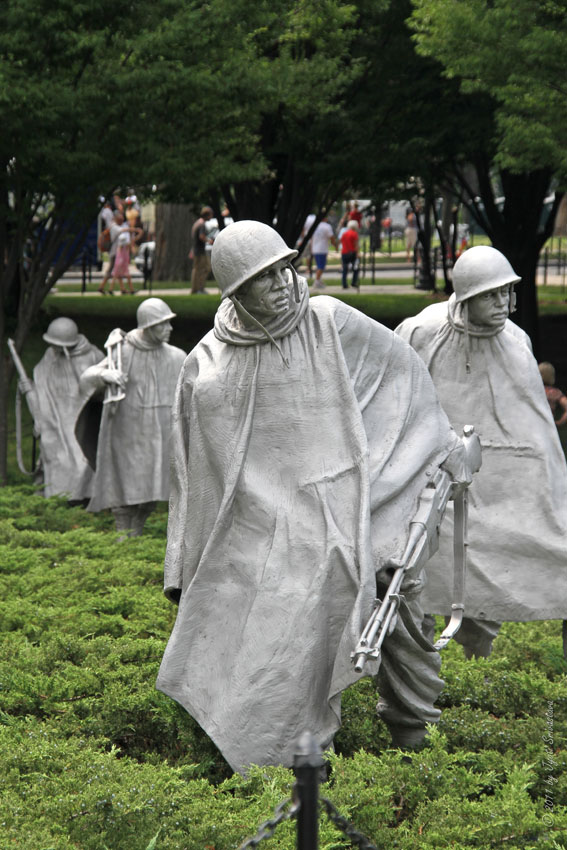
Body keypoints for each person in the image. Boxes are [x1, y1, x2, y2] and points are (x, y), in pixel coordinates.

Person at [156, 220, 469, 773]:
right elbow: (195, 477)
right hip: (264, 525)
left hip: (356, 501)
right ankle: (292, 753)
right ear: (235, 291)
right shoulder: (206, 368)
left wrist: (432, 454)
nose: (282, 283)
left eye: (285, 268)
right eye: (264, 277)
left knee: (392, 590)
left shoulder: (330, 320)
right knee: (272, 614)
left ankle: (415, 731)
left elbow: (404, 382)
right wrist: (184, 564)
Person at [396, 245, 567, 658]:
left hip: (498, 482)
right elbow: (397, 400)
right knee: (417, 570)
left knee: (531, 559)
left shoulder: (517, 342)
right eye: (491, 295)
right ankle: (417, 661)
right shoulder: (422, 332)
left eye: (507, 293)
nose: (502, 303)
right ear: (467, 296)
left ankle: (480, 659)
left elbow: (535, 429)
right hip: (433, 479)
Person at [77, 298, 186, 537]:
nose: (169, 328)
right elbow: (86, 378)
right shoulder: (122, 352)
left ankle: (136, 531)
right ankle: (122, 534)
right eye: (163, 324)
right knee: (123, 481)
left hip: (159, 431)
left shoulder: (177, 357)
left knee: (153, 485)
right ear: (148, 326)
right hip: (127, 429)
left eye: (169, 323)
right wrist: (105, 375)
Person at [17, 318, 103, 500]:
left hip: (80, 418)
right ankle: (57, 496)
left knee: (81, 458)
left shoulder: (92, 357)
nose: (53, 348)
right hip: (53, 419)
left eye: (57, 345)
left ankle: (83, 497)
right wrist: (31, 389)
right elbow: (43, 379)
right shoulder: (51, 354)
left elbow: (99, 388)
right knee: (54, 456)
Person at [98, 211, 128, 295]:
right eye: (121, 219)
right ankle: (102, 287)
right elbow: (122, 230)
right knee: (112, 269)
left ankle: (122, 288)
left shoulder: (113, 226)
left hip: (115, 252)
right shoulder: (114, 227)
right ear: (116, 218)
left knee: (117, 270)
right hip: (114, 252)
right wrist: (135, 229)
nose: (122, 221)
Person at [190, 206, 214, 294]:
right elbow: (201, 236)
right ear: (207, 215)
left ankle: (196, 289)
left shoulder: (197, 222)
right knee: (204, 268)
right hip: (200, 251)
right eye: (211, 214)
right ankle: (199, 289)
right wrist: (209, 241)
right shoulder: (202, 224)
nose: (212, 216)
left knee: (198, 269)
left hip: (197, 250)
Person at [311, 214, 337, 289]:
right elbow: (331, 237)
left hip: (315, 248)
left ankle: (318, 280)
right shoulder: (327, 226)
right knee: (321, 266)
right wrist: (335, 245)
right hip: (322, 249)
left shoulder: (315, 226)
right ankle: (317, 281)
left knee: (319, 265)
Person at [539, 362, 567, 428]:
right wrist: (559, 423)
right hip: (547, 428)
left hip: (529, 427)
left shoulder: (531, 390)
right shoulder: (554, 392)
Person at [340, 219, 359, 289]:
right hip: (352, 253)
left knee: (345, 269)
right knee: (355, 268)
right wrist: (357, 253)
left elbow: (341, 242)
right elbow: (356, 244)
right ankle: (353, 282)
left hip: (344, 252)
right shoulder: (354, 233)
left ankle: (344, 284)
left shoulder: (344, 234)